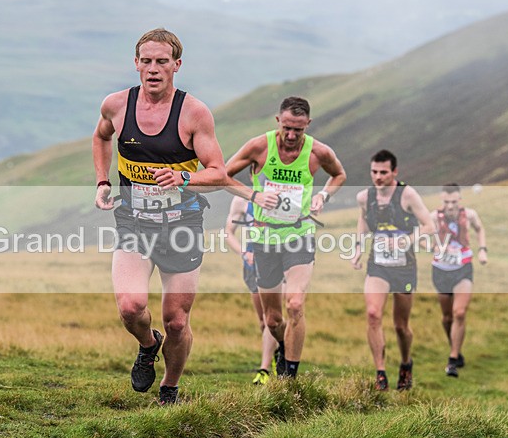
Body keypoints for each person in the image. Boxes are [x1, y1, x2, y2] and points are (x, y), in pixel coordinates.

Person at [92, 28, 227, 405]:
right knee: (130, 307)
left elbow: (219, 173)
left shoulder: (194, 113)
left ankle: (169, 388)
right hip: (133, 221)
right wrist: (103, 180)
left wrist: (183, 178)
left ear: (176, 65)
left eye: (162, 61)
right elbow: (101, 136)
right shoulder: (117, 105)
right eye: (147, 61)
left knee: (177, 321)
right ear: (136, 63)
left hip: (182, 225)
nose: (153, 69)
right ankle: (148, 345)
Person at [225, 97, 346, 378]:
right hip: (264, 238)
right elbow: (223, 175)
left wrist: (322, 196)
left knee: (295, 304)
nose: (291, 135)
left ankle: (290, 377)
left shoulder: (318, 152)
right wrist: (254, 195)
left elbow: (339, 175)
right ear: (278, 120)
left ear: (308, 125)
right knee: (273, 319)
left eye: (298, 130)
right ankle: (283, 346)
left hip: (299, 235)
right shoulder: (258, 147)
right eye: (287, 128)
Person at [350, 150, 435, 391]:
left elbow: (429, 226)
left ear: (394, 172)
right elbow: (363, 220)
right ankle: (380, 373)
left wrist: (404, 241)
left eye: (383, 172)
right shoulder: (364, 197)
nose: (378, 177)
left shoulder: (407, 195)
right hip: (378, 265)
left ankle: (406, 363)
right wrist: (358, 247)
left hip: (404, 268)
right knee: (373, 314)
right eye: (374, 172)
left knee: (401, 326)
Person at [222, 178, 278, 384]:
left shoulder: (282, 196)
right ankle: (275, 357)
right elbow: (228, 233)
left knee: (274, 317)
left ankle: (264, 368)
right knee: (264, 321)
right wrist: (244, 253)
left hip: (277, 261)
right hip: (253, 265)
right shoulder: (241, 201)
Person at [430, 183, 488, 378]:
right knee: (447, 317)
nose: (450, 206)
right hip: (441, 270)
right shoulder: (433, 217)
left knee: (460, 312)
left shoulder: (469, 215)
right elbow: (422, 237)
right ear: (442, 200)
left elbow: (480, 229)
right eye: (446, 202)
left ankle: (453, 359)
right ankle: (455, 346)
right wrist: (434, 247)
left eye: (454, 202)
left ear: (459, 200)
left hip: (463, 268)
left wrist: (482, 250)